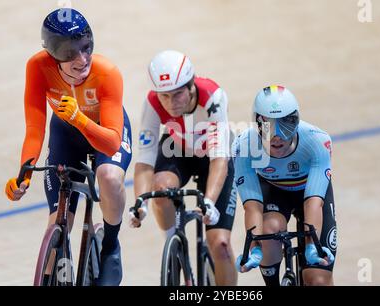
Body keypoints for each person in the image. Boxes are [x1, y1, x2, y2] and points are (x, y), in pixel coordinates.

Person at [4, 8, 132, 286]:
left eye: (86, 48)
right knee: (58, 222)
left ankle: (110, 246)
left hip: (103, 129)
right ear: (52, 54)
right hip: (66, 132)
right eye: (70, 52)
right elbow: (35, 128)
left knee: (109, 177)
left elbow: (111, 142)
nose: (81, 59)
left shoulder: (107, 73)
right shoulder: (38, 67)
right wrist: (23, 175)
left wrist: (80, 118)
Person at [130, 50, 238, 285]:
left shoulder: (212, 97)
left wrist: (208, 201)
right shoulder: (151, 102)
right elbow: (145, 160)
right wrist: (141, 202)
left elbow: (220, 158)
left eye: (177, 94)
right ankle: (174, 247)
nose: (171, 103)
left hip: (213, 154)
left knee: (220, 244)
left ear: (191, 86)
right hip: (177, 148)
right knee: (160, 189)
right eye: (164, 96)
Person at [233, 85, 337, 286]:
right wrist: (254, 245)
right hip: (275, 192)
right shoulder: (244, 146)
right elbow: (252, 205)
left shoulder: (317, 141)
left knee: (317, 280)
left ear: (296, 122)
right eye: (268, 126)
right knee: (270, 229)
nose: (277, 135)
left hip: (310, 194)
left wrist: (311, 245)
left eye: (285, 125)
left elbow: (314, 202)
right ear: (257, 124)